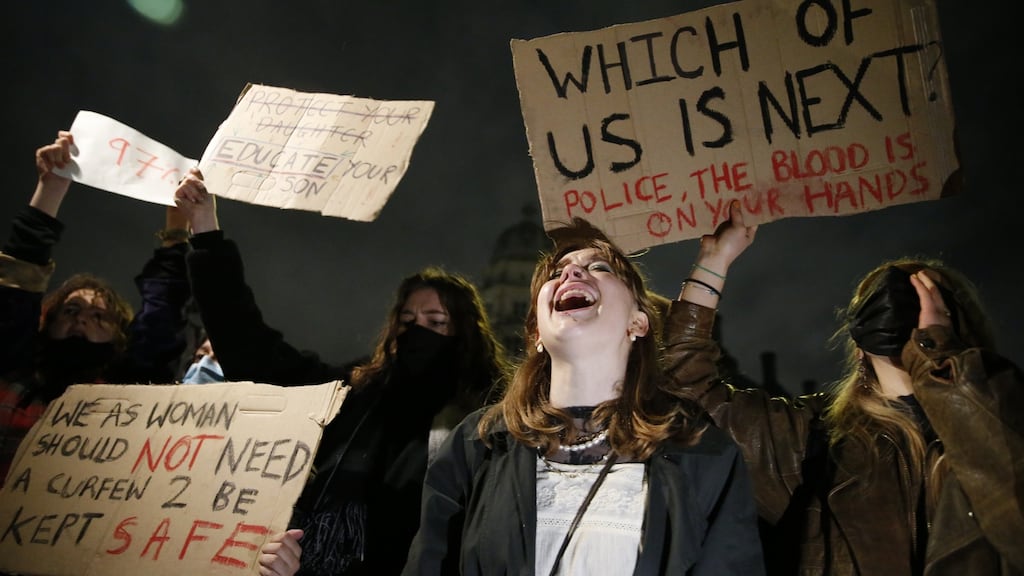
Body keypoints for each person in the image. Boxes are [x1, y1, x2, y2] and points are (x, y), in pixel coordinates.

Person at [173, 168, 511, 576]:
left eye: (436, 322)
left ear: (464, 333)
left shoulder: (490, 418)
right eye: (407, 320)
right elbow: (253, 348)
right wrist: (207, 233)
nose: (418, 332)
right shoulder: (352, 394)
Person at [665, 200, 1024, 574]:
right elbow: (688, 388)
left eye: (931, 309)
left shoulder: (1001, 426)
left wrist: (938, 357)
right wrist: (714, 261)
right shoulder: (810, 440)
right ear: (858, 346)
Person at [402, 216, 765, 575]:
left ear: (638, 322)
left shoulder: (702, 452)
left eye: (599, 266)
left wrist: (713, 263)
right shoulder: (475, 446)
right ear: (537, 334)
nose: (571, 274)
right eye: (556, 272)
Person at [0, 131, 192, 483]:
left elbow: (162, 314)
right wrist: (51, 189)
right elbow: (18, 283)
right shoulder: (13, 373)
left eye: (98, 316)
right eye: (71, 310)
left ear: (119, 337)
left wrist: (177, 228)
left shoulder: (128, 393)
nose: (83, 319)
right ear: (48, 323)